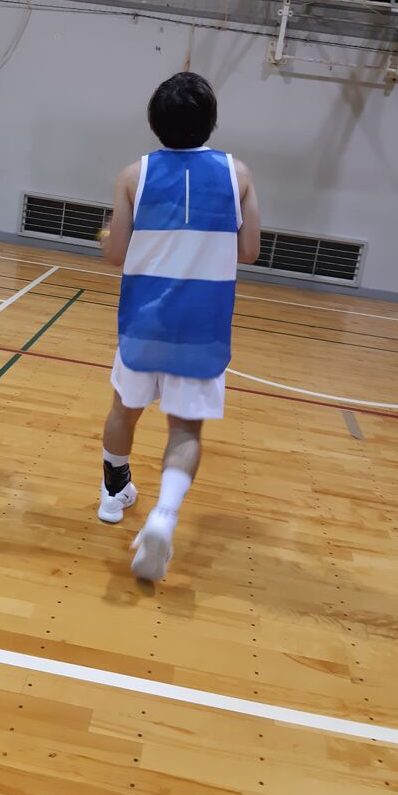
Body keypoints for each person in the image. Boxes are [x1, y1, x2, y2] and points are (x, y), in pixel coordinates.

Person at [98, 72, 261, 581]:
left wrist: (104, 236)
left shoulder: (132, 175)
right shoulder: (237, 174)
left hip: (144, 319)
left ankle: (113, 494)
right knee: (185, 429)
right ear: (211, 119)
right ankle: (164, 516)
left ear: (154, 121)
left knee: (124, 409)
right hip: (202, 325)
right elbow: (250, 251)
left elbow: (116, 253)